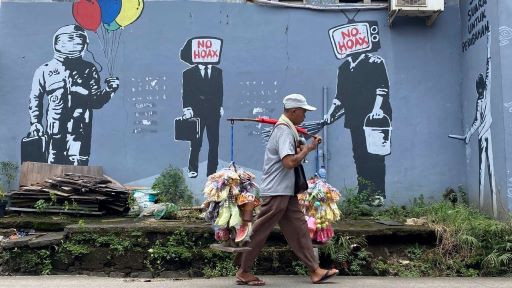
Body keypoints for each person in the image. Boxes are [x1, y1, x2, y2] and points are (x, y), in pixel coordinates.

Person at [235, 94, 339, 286]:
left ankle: (315, 270)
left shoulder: (288, 130)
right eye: (304, 112)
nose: (305, 116)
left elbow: (290, 158)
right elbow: (289, 162)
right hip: (277, 191)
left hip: (286, 190)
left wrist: (302, 148)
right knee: (259, 231)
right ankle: (243, 270)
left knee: (298, 228)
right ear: (293, 111)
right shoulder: (283, 131)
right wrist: (308, 149)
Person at [28, 24, 119, 165]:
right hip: (54, 130)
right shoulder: (44, 70)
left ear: (84, 44)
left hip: (80, 131)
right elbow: (35, 98)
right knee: (53, 167)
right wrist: (35, 123)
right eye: (69, 39)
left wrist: (109, 90)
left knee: (78, 170)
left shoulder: (89, 69)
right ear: (57, 42)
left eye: (78, 40)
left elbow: (96, 102)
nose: (74, 43)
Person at [324, 51, 391, 205]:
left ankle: (377, 194)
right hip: (355, 119)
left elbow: (382, 89)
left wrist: (376, 109)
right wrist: (330, 113)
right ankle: (364, 192)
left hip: (375, 118)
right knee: (359, 154)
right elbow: (340, 96)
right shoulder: (344, 67)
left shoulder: (375, 62)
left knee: (375, 155)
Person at [464, 33, 497, 217]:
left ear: (484, 86)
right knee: (481, 172)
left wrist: (488, 44)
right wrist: (469, 134)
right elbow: (477, 120)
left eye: (481, 89)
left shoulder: (488, 90)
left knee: (491, 171)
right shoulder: (478, 101)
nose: (480, 93)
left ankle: (494, 209)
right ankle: (481, 210)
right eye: (478, 91)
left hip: (488, 134)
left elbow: (489, 67)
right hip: (480, 136)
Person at [180, 41, 224, 178]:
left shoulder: (217, 72)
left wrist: (220, 106)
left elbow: (219, 91)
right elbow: (186, 92)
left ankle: (212, 171)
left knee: (214, 142)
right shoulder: (188, 73)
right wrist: (187, 108)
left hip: (213, 112)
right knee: (196, 142)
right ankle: (193, 168)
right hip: (196, 112)